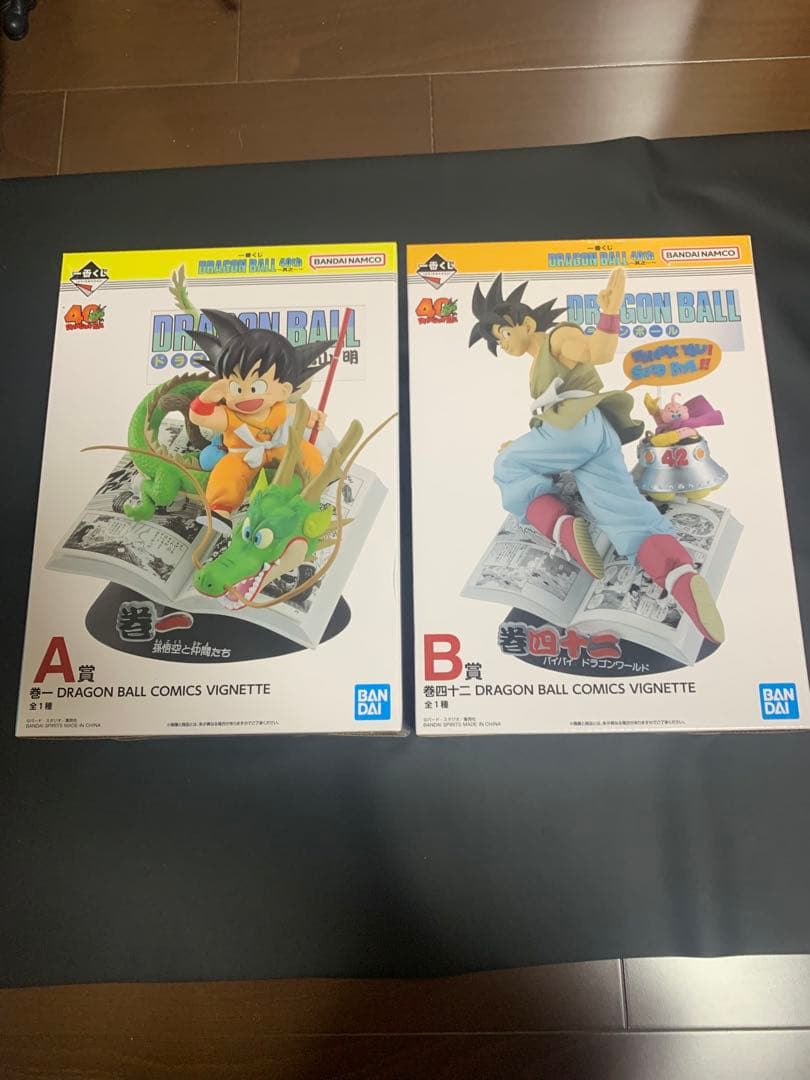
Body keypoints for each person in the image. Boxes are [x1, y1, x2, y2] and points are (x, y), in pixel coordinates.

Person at [469, 271, 724, 643]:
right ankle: (679, 576)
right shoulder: (540, 356)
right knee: (625, 512)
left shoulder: (558, 338)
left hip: (577, 428)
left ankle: (561, 526)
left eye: (504, 333)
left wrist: (610, 313)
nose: (503, 344)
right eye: (497, 340)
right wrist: (533, 443)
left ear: (526, 323)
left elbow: (599, 352)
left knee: (507, 466)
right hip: (596, 434)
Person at [188, 310, 332, 533]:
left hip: (279, 447)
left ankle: (312, 487)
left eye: (256, 387)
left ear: (283, 391)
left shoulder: (280, 408)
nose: (245, 396)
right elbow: (198, 416)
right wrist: (208, 396)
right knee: (227, 472)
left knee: (308, 454)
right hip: (243, 455)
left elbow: (301, 413)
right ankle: (220, 511)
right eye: (237, 387)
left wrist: (315, 418)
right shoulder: (230, 415)